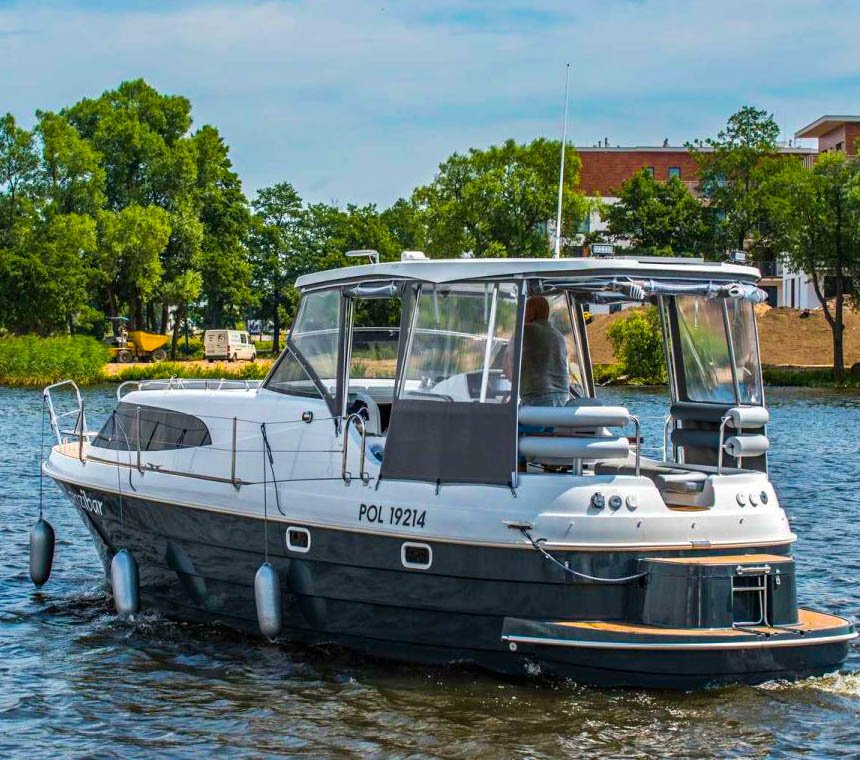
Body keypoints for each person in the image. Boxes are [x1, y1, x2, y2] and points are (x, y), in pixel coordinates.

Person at [517, 296, 571, 407]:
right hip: (562, 398)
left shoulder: (526, 330)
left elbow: (509, 366)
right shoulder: (558, 335)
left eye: (524, 310)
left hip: (537, 397)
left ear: (532, 312)